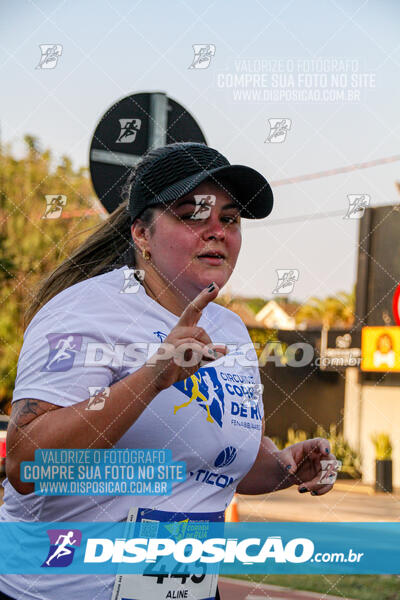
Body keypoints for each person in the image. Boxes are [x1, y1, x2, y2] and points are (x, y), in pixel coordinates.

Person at [0, 142, 337, 600]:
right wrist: (150, 379)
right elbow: (27, 464)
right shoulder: (86, 311)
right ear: (141, 233)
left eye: (230, 218)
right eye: (193, 213)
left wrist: (286, 468)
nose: (217, 230)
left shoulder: (231, 329)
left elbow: (217, 464)